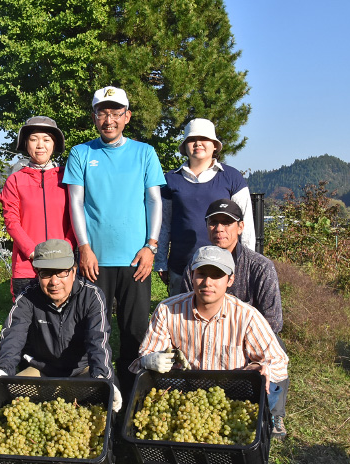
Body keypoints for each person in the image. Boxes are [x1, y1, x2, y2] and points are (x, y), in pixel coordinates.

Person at [63, 86, 165, 392]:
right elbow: (76, 203)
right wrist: (84, 247)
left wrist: (151, 246)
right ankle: (100, 388)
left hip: (136, 260)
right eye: (103, 112)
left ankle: (134, 390)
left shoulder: (144, 153)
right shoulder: (81, 153)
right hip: (95, 260)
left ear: (127, 116)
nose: (109, 119)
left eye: (116, 112)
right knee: (95, 329)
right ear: (94, 116)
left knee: (135, 330)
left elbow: (154, 201)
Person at [132, 246, 288, 417]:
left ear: (230, 280)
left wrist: (262, 367)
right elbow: (144, 357)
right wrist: (150, 359)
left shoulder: (246, 316)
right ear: (191, 276)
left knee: (268, 390)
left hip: (231, 395)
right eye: (201, 274)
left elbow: (279, 362)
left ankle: (271, 418)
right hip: (183, 394)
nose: (208, 282)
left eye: (216, 276)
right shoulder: (167, 311)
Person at [181, 199, 289, 438]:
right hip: (203, 333)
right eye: (214, 223)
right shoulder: (195, 265)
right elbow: (184, 308)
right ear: (207, 227)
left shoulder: (260, 267)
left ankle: (274, 411)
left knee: (275, 348)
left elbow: (273, 321)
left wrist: (239, 340)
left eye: (227, 222)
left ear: (240, 227)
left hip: (247, 339)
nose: (220, 229)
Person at [0, 240, 122, 412]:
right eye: (46, 273)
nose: (54, 281)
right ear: (37, 273)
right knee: (6, 403)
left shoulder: (91, 296)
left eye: (62, 272)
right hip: (42, 371)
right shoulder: (27, 298)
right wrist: (1, 371)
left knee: (106, 397)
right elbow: (13, 336)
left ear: (74, 271)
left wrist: (101, 376)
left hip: (81, 370)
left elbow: (98, 340)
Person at [156, 118, 255, 296]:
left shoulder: (233, 178)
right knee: (182, 320)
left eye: (204, 139)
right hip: (182, 267)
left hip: (224, 269)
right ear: (185, 146)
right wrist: (161, 261)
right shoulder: (170, 180)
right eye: (192, 139)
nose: (198, 143)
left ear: (215, 145)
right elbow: (163, 225)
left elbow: (246, 225)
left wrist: (246, 264)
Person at [0, 116, 75, 300]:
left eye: (46, 139)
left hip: (61, 264)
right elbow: (11, 221)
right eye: (34, 139)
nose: (40, 145)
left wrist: (64, 250)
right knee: (26, 322)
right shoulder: (15, 180)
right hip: (27, 265)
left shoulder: (67, 178)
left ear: (54, 144)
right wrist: (33, 252)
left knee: (62, 323)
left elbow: (75, 218)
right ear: (26, 144)